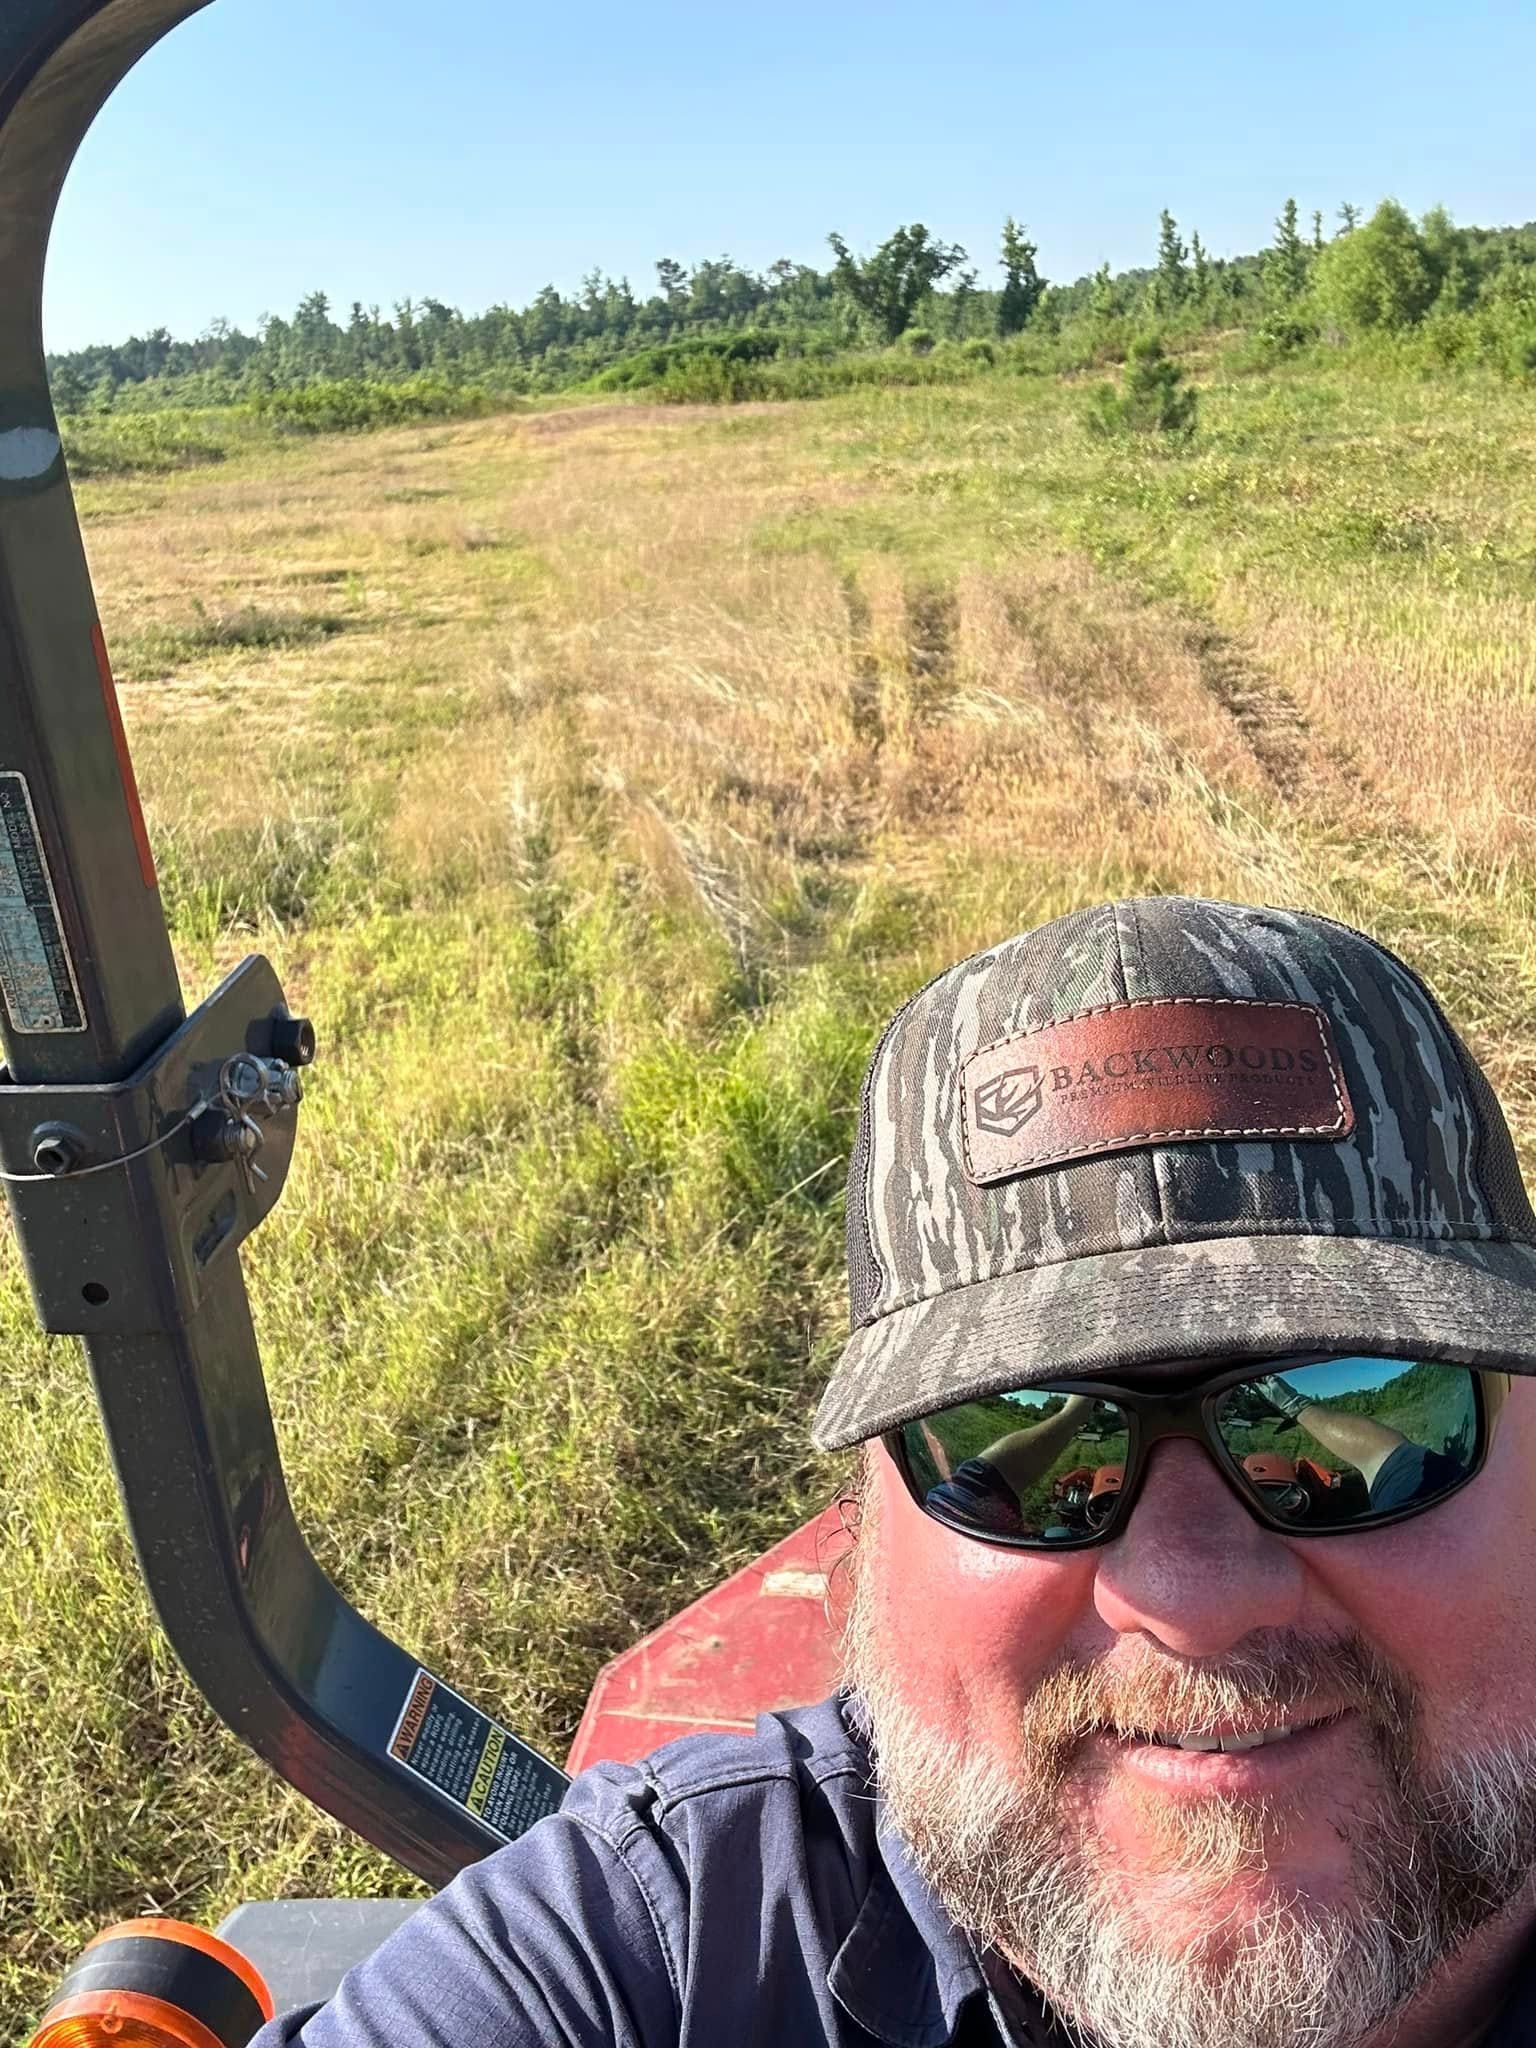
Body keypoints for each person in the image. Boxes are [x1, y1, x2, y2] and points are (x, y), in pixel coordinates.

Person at [253, 895, 1536, 2048]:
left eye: (1342, 1411)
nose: (1194, 1592)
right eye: (1017, 1441)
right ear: (869, 1526)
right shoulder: (651, 1945)